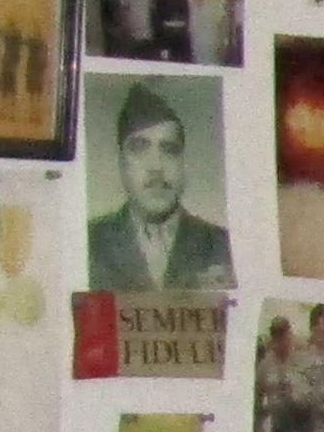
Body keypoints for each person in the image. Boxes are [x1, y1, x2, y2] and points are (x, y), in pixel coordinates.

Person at [83, 83, 231, 295]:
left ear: (183, 164)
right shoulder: (89, 242)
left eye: (169, 150)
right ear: (121, 163)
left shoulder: (221, 245)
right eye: (139, 148)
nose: (156, 166)